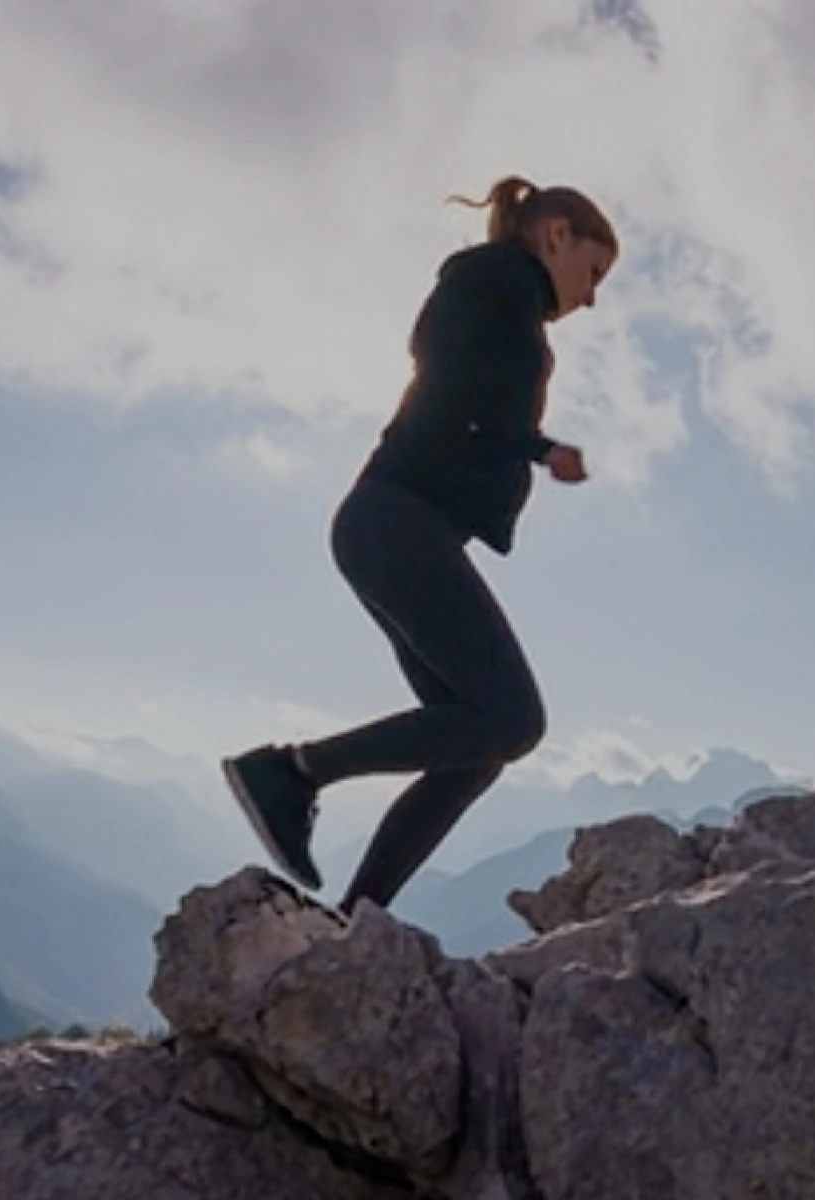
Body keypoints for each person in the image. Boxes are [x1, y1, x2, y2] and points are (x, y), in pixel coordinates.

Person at [222, 174, 619, 914]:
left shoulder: (504, 298)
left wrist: (536, 448)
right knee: (514, 721)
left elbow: (465, 382)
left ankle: (356, 916)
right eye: (593, 272)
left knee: (476, 746)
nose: (592, 297)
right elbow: (445, 354)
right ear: (556, 235)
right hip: (396, 523)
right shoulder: (500, 277)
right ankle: (292, 772)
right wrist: (530, 443)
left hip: (392, 526)